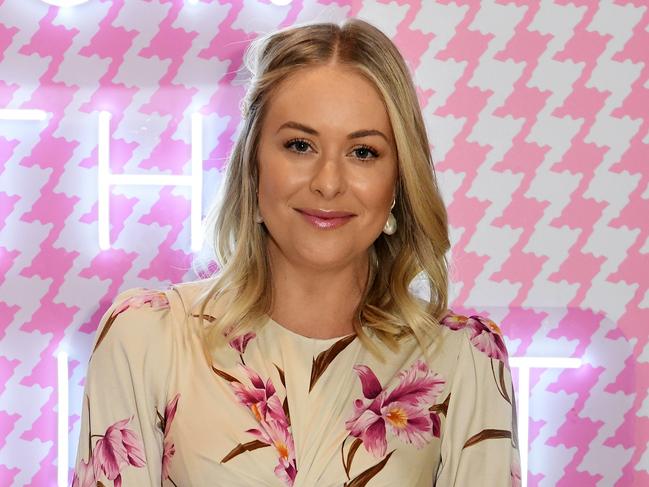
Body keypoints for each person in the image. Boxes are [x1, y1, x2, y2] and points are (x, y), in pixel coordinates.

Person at [72, 18, 520, 487]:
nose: (328, 182)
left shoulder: (464, 358)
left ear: (398, 181)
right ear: (253, 163)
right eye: (300, 145)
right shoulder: (147, 339)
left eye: (363, 152)